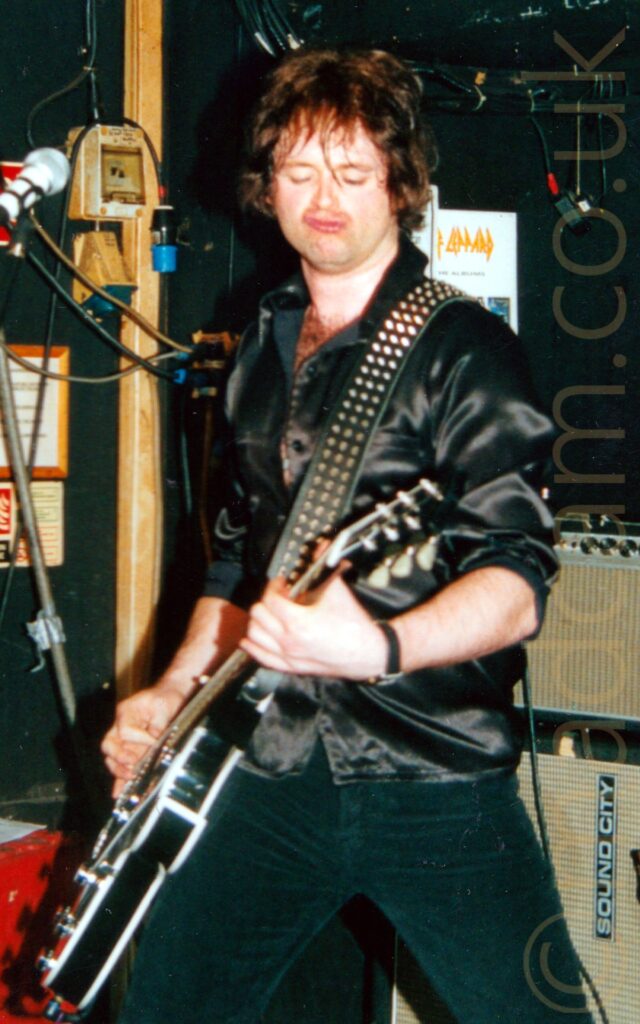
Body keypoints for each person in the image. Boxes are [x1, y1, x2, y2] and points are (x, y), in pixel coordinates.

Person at [102, 49, 593, 1024]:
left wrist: (376, 644)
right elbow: (238, 565)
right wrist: (166, 692)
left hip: (433, 772)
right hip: (268, 763)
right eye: (298, 171)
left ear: (402, 186)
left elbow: (515, 581)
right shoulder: (257, 347)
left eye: (353, 173)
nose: (322, 198)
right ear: (266, 182)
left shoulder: (466, 352)